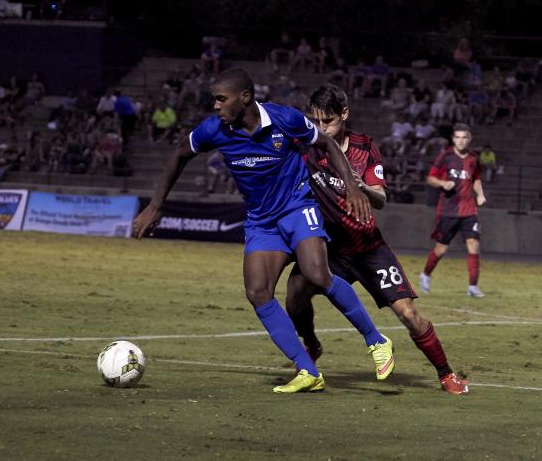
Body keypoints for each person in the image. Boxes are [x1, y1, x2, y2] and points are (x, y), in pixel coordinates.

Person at [133, 68, 394, 393]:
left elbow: (326, 143)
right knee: (258, 292)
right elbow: (179, 155)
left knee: (316, 273)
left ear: (244, 98)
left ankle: (376, 339)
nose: (215, 105)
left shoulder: (285, 119)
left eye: (220, 99)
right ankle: (308, 371)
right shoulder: (212, 130)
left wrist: (354, 189)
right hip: (261, 220)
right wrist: (156, 205)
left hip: (298, 208)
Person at [285, 83, 469, 394]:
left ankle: (446, 374)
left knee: (408, 313)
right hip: (330, 249)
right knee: (294, 295)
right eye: (315, 121)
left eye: (327, 121)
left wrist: (362, 187)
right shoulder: (308, 145)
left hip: (369, 248)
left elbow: (381, 198)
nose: (321, 128)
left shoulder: (365, 148)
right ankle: (312, 343)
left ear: (344, 114)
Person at [419, 123, 486, 297]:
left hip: (469, 210)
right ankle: (425, 274)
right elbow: (430, 178)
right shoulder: (445, 157)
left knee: (473, 245)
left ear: (469, 139)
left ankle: (473, 287)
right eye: (457, 137)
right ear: (453, 139)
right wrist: (442, 183)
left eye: (464, 137)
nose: (461, 141)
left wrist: (480, 195)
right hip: (448, 210)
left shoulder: (474, 158)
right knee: (441, 249)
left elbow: (476, 179)